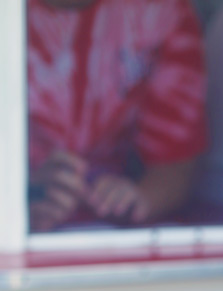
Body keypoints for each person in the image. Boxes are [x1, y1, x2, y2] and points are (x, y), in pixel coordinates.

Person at [27, 0, 207, 232]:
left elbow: (177, 164)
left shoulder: (162, 11)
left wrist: (139, 199)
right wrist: (22, 196)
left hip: (110, 236)